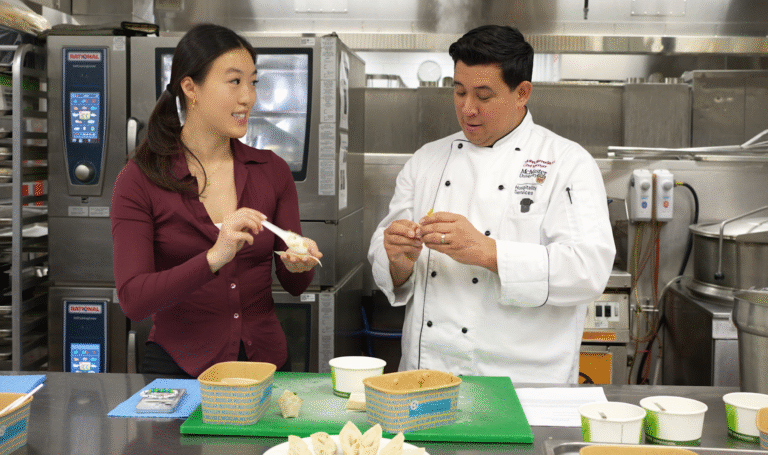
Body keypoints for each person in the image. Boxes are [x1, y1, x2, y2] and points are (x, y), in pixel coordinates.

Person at [368, 25, 615, 383]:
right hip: (425, 379)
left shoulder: (567, 163)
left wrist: (487, 251)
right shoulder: (426, 160)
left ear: (522, 93)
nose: (468, 108)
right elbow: (385, 252)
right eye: (459, 91)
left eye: (484, 95)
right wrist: (397, 259)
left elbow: (588, 270)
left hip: (522, 385)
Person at [111, 23, 322, 378]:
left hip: (266, 370)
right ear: (190, 88)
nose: (248, 98)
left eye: (253, 82)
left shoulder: (272, 171)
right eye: (235, 81)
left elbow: (295, 285)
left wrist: (299, 264)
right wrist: (214, 257)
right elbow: (133, 299)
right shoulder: (138, 180)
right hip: (179, 373)